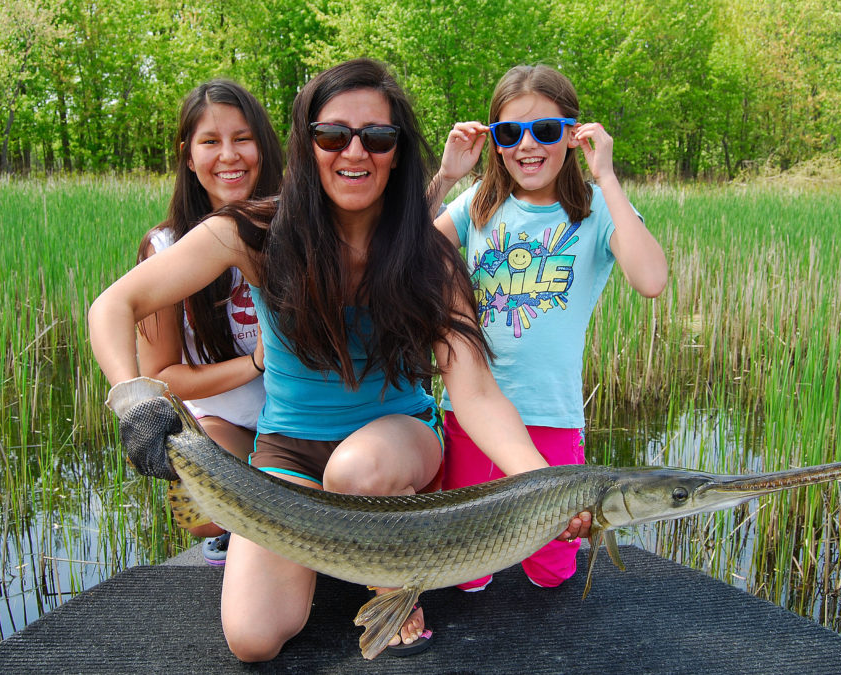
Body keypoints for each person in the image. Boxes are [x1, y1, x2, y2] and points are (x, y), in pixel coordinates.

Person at [89, 59, 590, 662]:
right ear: (308, 146)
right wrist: (134, 399)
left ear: (398, 153)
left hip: (396, 444)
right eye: (333, 135)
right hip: (289, 453)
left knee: (357, 472)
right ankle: (336, 558)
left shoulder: (429, 256)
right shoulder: (253, 233)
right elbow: (114, 305)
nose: (355, 152)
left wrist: (548, 485)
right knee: (252, 640)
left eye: (377, 137)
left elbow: (476, 392)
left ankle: (392, 588)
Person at [429, 64, 667, 591]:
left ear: (572, 134)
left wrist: (607, 177)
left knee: (551, 571)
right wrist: (445, 177)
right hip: (470, 416)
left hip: (551, 415)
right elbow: (403, 254)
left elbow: (651, 280)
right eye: (510, 132)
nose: (527, 145)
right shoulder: (478, 204)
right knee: (468, 574)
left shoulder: (596, 211)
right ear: (494, 142)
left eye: (545, 130)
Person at [135, 80, 284, 564]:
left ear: (264, 146)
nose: (229, 155)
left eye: (243, 138)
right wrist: (255, 363)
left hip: (301, 425)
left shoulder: (298, 228)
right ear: (188, 156)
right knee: (202, 507)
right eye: (210, 141)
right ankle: (236, 528)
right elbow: (162, 376)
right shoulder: (166, 248)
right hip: (229, 424)